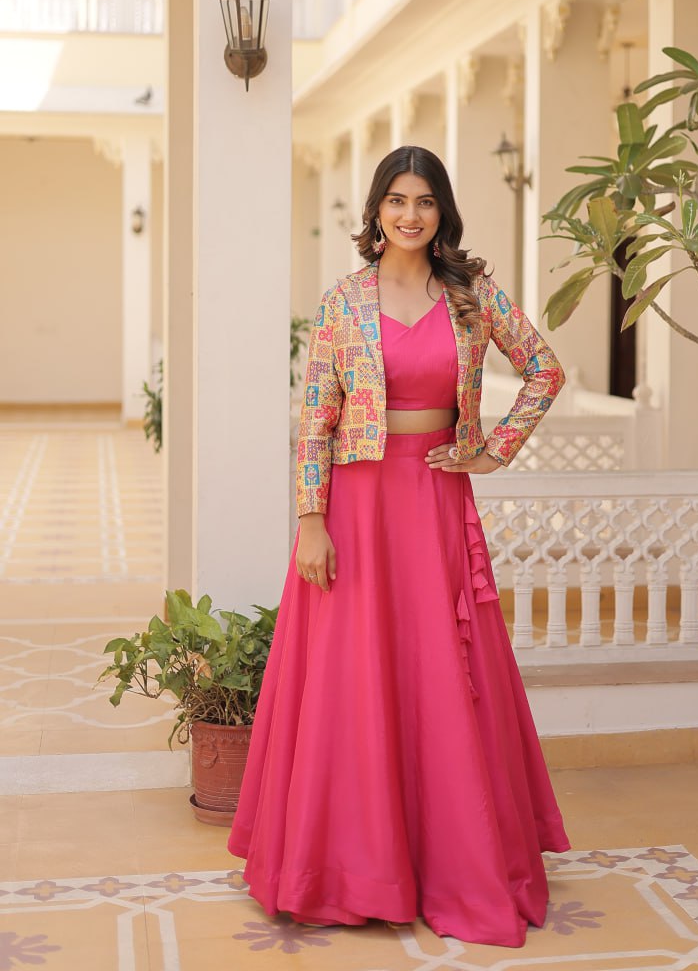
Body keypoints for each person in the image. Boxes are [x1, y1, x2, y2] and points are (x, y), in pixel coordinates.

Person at [228, 145, 571, 948]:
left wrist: (492, 449)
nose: (409, 214)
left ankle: (453, 862)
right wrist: (311, 520)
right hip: (356, 504)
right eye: (395, 200)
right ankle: (349, 865)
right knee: (354, 678)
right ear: (376, 210)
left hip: (434, 500)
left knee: (440, 673)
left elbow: (544, 371)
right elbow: (314, 419)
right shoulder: (342, 303)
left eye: (423, 201)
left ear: (441, 212)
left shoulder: (472, 296)